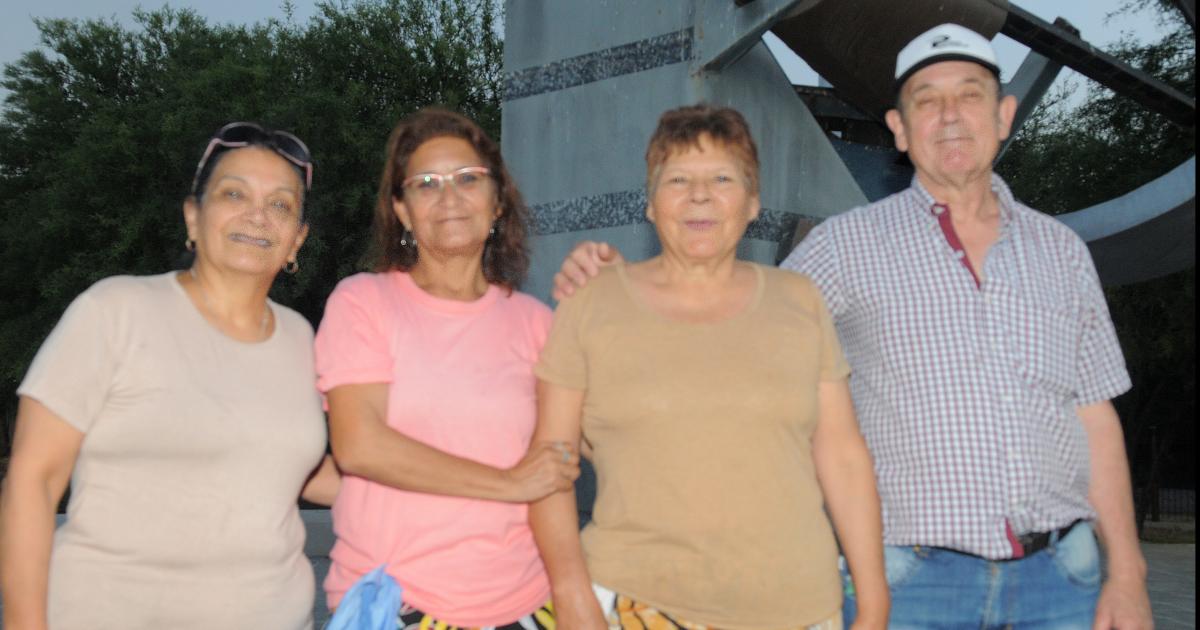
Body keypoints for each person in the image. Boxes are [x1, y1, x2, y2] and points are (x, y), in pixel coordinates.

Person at [553, 25, 1153, 630]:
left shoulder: (1063, 252)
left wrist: (1127, 574)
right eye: (926, 100)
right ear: (899, 128)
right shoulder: (844, 247)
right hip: (912, 586)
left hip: (1063, 582)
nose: (949, 116)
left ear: (1003, 115)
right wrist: (634, 292)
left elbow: (1094, 417)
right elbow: (730, 330)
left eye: (969, 95)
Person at [531, 104, 887, 630]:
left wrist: (874, 603)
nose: (699, 195)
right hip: (636, 604)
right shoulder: (589, 305)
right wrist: (571, 596)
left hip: (797, 608)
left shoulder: (801, 301)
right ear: (650, 203)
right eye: (678, 179)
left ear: (753, 201)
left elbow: (843, 455)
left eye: (722, 178)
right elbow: (549, 464)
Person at [0, 122, 340, 630]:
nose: (257, 215)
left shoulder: (300, 338)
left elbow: (295, 467)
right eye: (234, 194)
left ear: (297, 240)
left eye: (280, 204)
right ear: (193, 217)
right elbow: (33, 480)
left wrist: (438, 486)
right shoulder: (115, 310)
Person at [314, 108, 580, 630]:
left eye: (468, 179)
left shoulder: (537, 323)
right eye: (426, 184)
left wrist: (612, 304)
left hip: (527, 603)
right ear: (402, 210)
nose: (449, 196)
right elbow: (360, 446)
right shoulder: (364, 302)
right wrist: (509, 482)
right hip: (403, 605)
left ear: (498, 201)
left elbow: (563, 463)